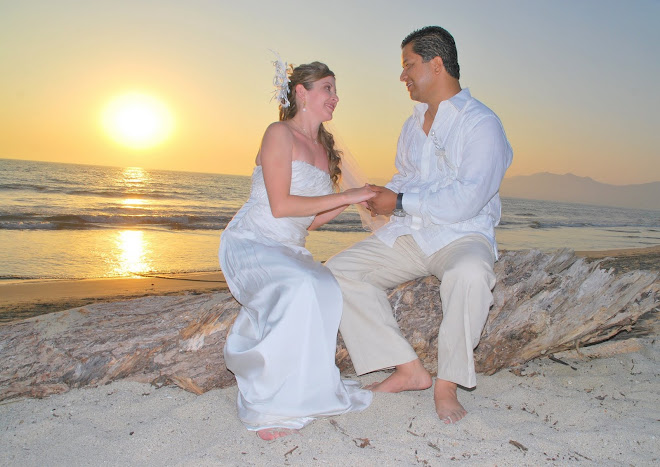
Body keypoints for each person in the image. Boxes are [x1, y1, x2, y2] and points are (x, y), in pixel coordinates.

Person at [326, 26, 513, 424]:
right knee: (340, 272)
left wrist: (401, 202)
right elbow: (407, 178)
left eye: (408, 65)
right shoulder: (413, 125)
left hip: (462, 234)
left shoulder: (481, 123)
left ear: (437, 63)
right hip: (412, 234)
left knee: (470, 274)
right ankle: (407, 368)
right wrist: (380, 194)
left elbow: (469, 198)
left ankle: (447, 384)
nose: (402, 76)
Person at [218, 59, 374, 440]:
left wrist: (353, 202)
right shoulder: (278, 134)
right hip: (252, 240)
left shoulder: (324, 150)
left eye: (335, 90)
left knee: (324, 286)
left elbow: (311, 221)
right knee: (304, 284)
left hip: (288, 245)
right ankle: (271, 403)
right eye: (328, 88)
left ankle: (305, 390)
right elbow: (281, 207)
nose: (335, 98)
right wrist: (349, 193)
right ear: (301, 93)